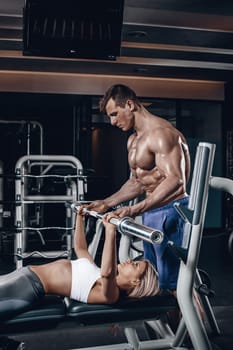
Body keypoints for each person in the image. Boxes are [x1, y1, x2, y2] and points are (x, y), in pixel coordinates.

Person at [85, 84, 191, 293]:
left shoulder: (162, 134)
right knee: (152, 279)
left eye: (115, 114)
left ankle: (198, 326)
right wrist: (107, 203)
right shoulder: (133, 140)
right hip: (151, 211)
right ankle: (171, 325)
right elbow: (137, 182)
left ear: (130, 105)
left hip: (172, 211)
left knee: (176, 285)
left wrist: (135, 209)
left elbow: (175, 180)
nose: (113, 121)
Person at [0, 209, 159, 322]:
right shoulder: (95, 271)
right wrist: (80, 218)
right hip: (22, 275)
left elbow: (107, 273)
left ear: (135, 282)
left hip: (28, 287)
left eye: (136, 265)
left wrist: (111, 232)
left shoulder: (111, 294)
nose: (131, 261)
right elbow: (81, 248)